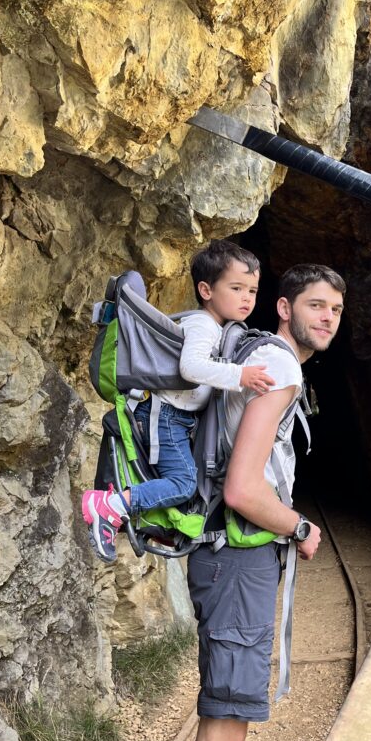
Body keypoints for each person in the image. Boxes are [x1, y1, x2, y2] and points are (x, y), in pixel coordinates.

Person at [181, 264, 346, 741]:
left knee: (226, 726)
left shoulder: (255, 356)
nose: (327, 317)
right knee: (221, 739)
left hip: (226, 557)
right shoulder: (281, 367)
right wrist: (299, 526)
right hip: (237, 561)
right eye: (316, 305)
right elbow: (244, 489)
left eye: (336, 309)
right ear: (283, 307)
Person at [81, 239, 275, 564]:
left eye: (252, 291)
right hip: (167, 416)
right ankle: (111, 506)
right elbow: (191, 368)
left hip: (175, 418)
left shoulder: (212, 326)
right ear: (206, 290)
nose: (247, 298)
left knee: (182, 481)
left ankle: (133, 514)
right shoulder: (203, 325)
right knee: (183, 484)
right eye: (237, 288)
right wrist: (239, 375)